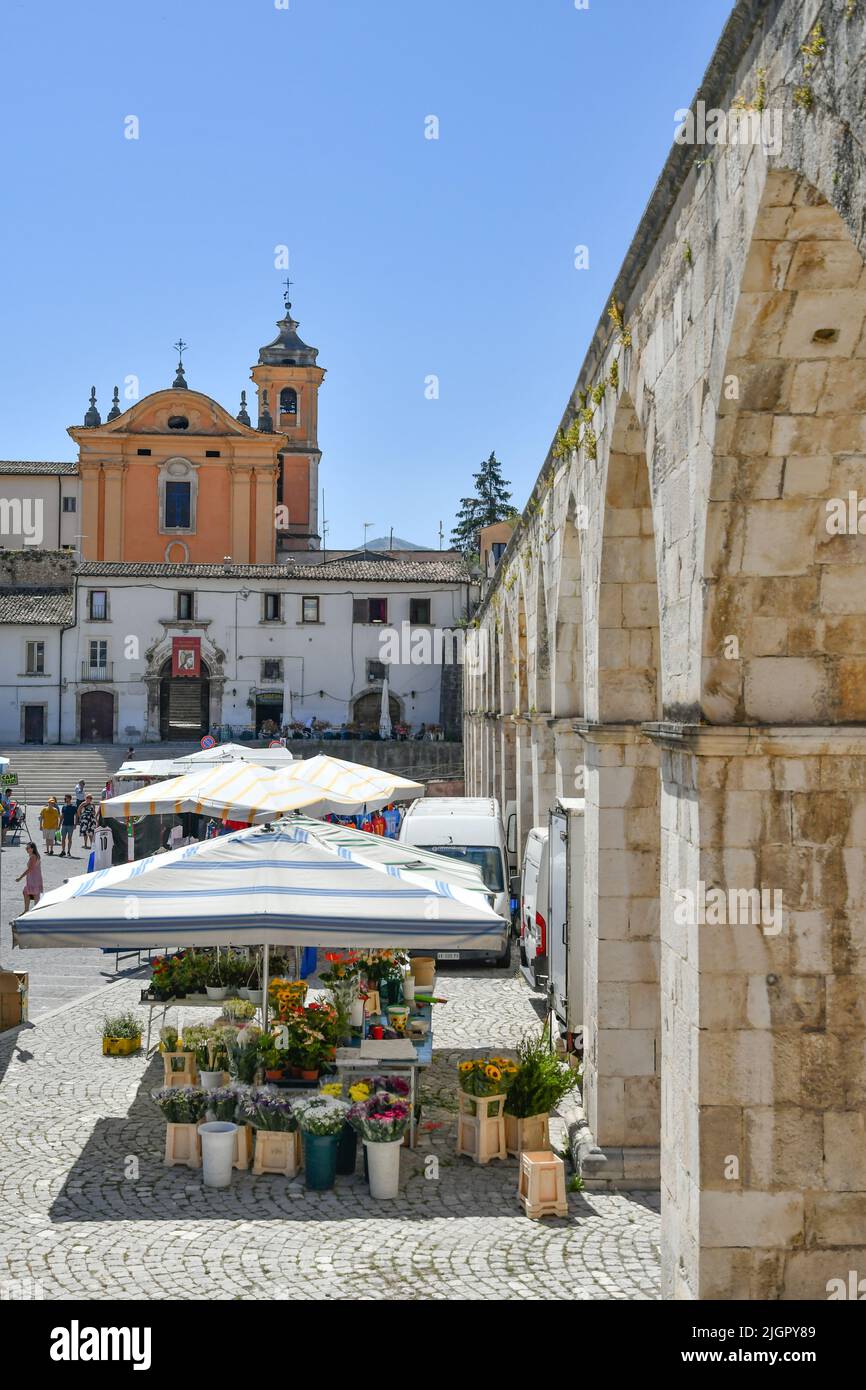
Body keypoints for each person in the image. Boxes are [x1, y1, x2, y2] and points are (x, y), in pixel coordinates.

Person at [16, 842, 43, 912]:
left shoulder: (33, 857)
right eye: (26, 848)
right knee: (28, 893)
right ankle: (27, 910)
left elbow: (30, 869)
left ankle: (30, 911)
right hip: (34, 879)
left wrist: (20, 877)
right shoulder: (34, 855)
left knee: (32, 894)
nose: (26, 849)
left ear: (32, 849)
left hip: (34, 879)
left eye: (28, 848)